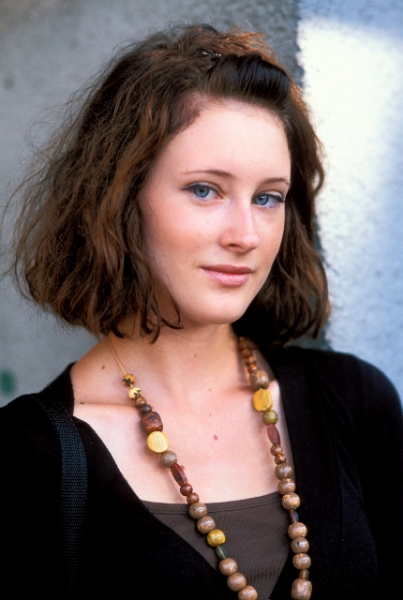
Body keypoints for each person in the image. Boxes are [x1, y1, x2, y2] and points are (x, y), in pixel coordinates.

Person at [1, 23, 402, 600]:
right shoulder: (27, 458)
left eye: (268, 197)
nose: (245, 235)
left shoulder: (354, 401)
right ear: (120, 197)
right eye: (205, 190)